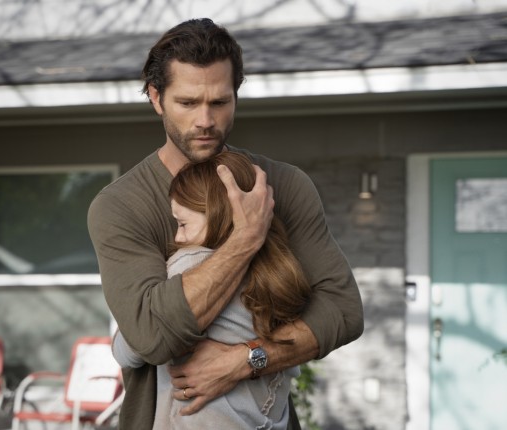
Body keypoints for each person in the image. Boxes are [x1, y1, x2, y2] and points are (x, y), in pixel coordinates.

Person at [87, 17, 364, 430]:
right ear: (156, 98)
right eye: (187, 103)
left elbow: (343, 311)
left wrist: (247, 359)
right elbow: (151, 336)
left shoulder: (283, 185)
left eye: (219, 102)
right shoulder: (122, 206)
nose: (205, 120)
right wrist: (246, 238)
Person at [112, 151, 313, 429]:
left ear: (217, 214)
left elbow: (130, 349)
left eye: (183, 224)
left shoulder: (189, 264)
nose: (178, 237)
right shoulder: (279, 274)